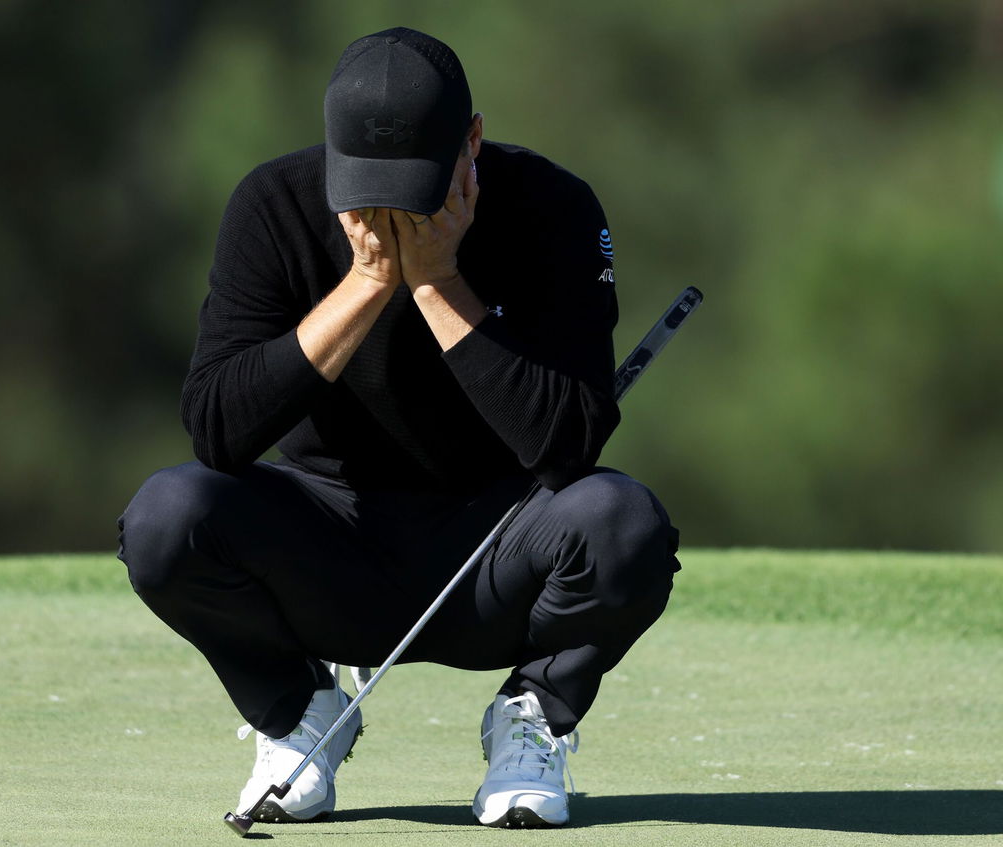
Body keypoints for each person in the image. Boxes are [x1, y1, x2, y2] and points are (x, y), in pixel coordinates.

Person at [118, 26, 680, 829]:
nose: (388, 207)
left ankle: (534, 716)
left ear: (472, 142)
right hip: (328, 543)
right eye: (365, 184)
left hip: (500, 549)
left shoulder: (554, 207)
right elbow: (217, 431)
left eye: (417, 182)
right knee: (166, 517)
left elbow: (568, 444)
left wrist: (438, 282)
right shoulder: (272, 204)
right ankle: (296, 712)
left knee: (626, 524)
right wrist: (371, 279)